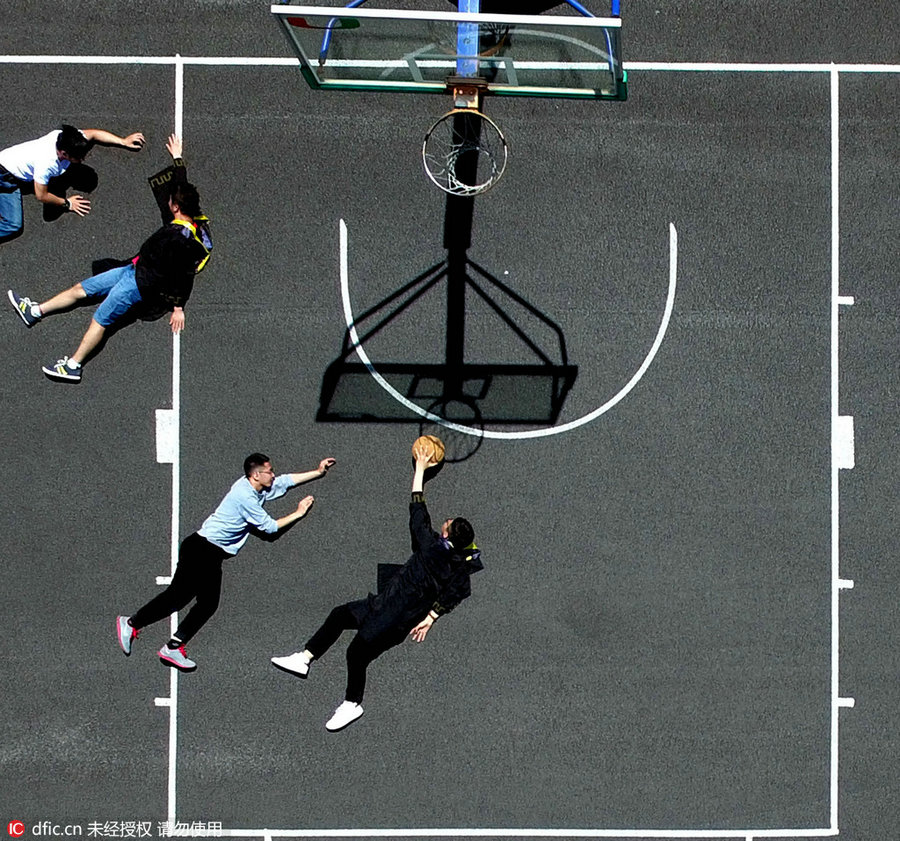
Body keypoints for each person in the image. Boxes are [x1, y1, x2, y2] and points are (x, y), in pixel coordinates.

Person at [271, 440, 483, 732]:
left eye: (446, 524)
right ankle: (305, 658)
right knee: (340, 614)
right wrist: (432, 617)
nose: (443, 523)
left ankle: (352, 704)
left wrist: (420, 468)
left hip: (393, 616)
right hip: (392, 605)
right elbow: (457, 592)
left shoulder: (429, 547)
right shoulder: (459, 563)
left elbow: (417, 508)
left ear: (446, 534)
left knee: (356, 654)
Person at [7, 133, 212, 383]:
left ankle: (73, 365)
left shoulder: (180, 240)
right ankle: (35, 311)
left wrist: (178, 307)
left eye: (171, 201)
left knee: (100, 320)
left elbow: (183, 274)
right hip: (131, 269)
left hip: (137, 284)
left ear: (177, 209)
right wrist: (178, 159)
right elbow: (180, 186)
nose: (167, 201)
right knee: (81, 289)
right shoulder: (184, 216)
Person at [116, 453, 337, 672]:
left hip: (211, 554)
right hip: (201, 550)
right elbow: (270, 528)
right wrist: (298, 513)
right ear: (257, 474)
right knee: (177, 598)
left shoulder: (256, 487)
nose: (273, 474)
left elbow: (285, 482)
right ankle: (131, 624)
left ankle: (173, 646)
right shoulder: (245, 497)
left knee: (206, 603)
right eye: (269, 471)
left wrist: (318, 472)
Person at [0, 124, 145, 244]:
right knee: (13, 225)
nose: (82, 159)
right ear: (64, 154)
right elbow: (41, 195)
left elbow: (93, 134)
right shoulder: (47, 164)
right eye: (78, 157)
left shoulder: (65, 138)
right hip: (6, 178)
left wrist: (123, 141)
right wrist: (67, 204)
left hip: (6, 164)